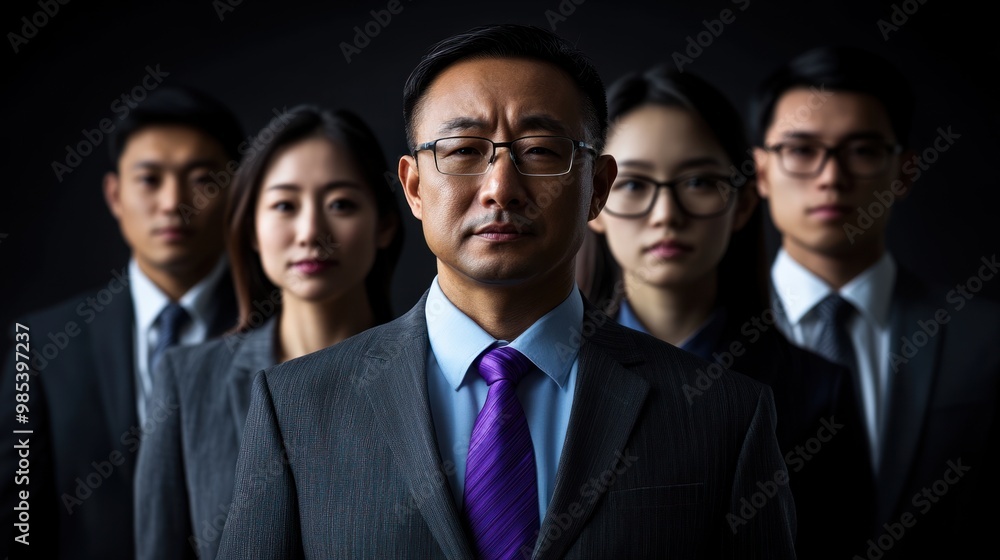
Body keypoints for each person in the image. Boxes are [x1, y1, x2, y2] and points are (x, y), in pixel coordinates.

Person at [217, 24, 795, 559]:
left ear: (598, 188)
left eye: (540, 151)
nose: (501, 187)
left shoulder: (723, 413)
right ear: (413, 187)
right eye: (464, 151)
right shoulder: (297, 406)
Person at [580, 66, 870, 558]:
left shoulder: (818, 392)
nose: (666, 215)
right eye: (633, 184)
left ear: (744, 202)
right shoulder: (546, 373)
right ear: (595, 199)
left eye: (698, 181)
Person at [752, 46, 1000, 557]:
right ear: (761, 171)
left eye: (862, 151)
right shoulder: (705, 336)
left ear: (904, 171)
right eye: (801, 150)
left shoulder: (985, 339)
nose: (830, 177)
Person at [133, 105, 403, 560]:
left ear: (385, 224)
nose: (311, 232)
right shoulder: (187, 381)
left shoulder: (430, 372)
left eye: (341, 204)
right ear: (252, 230)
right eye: (284, 205)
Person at [0, 87, 244, 560]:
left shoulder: (283, 333)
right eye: (149, 179)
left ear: (236, 189)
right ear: (115, 195)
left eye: (202, 179)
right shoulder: (39, 345)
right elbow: (17, 523)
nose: (173, 202)